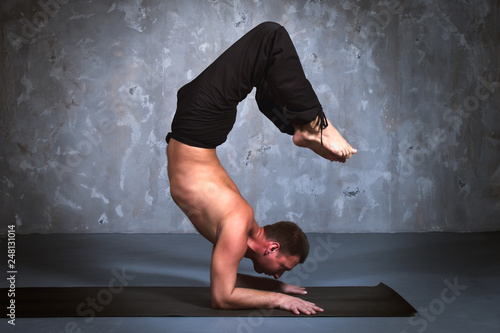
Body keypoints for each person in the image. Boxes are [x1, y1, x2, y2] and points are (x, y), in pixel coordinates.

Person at [166, 22, 356, 315]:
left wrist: (274, 287)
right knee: (271, 36)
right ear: (272, 249)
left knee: (266, 67)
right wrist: (281, 299)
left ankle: (299, 127)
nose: (279, 275)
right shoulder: (238, 221)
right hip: (200, 121)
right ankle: (315, 125)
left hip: (198, 125)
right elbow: (222, 297)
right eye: (282, 269)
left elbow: (224, 281)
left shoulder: (238, 235)